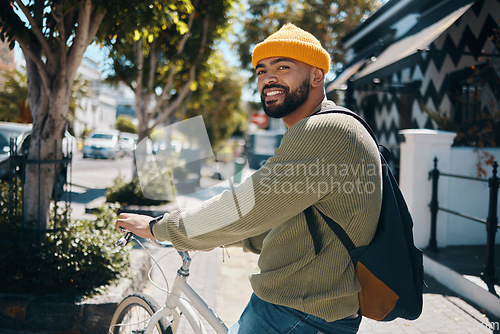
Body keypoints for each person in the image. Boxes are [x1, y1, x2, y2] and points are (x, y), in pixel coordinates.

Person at [116, 23, 383, 334]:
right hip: (305, 309)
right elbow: (288, 220)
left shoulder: (325, 131)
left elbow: (247, 206)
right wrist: (216, 237)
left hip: (296, 315)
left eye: (283, 66)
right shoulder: (326, 127)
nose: (268, 77)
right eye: (261, 70)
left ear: (316, 76)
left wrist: (159, 227)